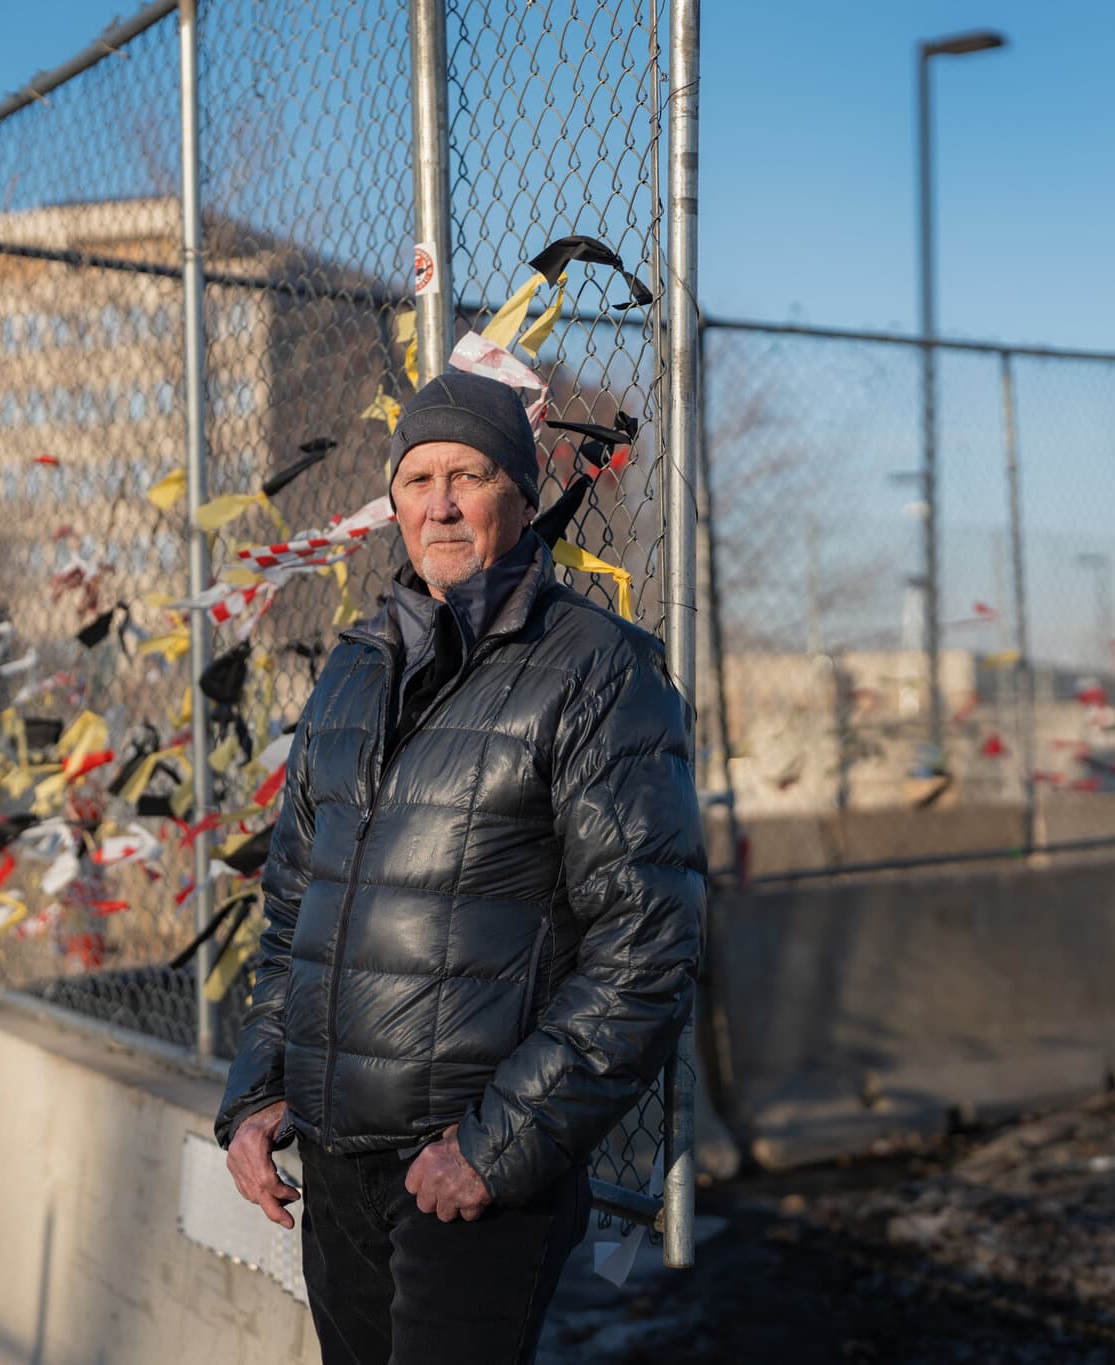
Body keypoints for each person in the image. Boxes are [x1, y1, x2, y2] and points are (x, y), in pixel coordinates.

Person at [215, 369, 705, 1365]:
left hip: (463, 1166)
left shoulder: (597, 671)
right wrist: (259, 1088)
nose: (439, 502)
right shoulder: (354, 671)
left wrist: (493, 1147)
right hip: (336, 1161)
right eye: (417, 478)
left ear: (519, 493)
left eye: (468, 475)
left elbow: (647, 949)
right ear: (391, 503)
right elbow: (291, 908)